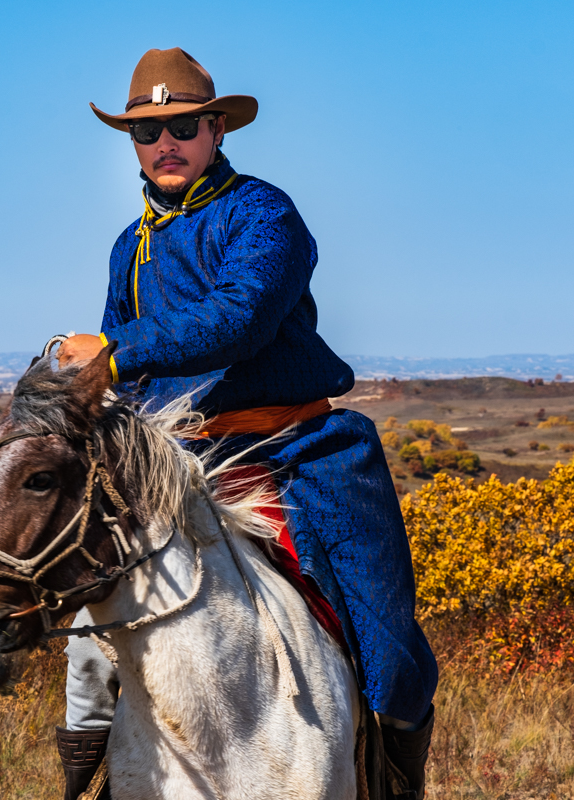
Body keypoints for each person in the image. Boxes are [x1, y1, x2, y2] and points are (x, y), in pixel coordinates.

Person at [54, 47, 437, 800]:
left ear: (218, 128)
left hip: (297, 450)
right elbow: (121, 372)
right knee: (91, 646)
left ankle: (392, 782)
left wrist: (116, 352)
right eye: (146, 132)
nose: (165, 144)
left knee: (390, 653)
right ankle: (86, 782)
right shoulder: (127, 247)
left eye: (184, 125)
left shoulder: (264, 215)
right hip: (177, 461)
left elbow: (241, 318)